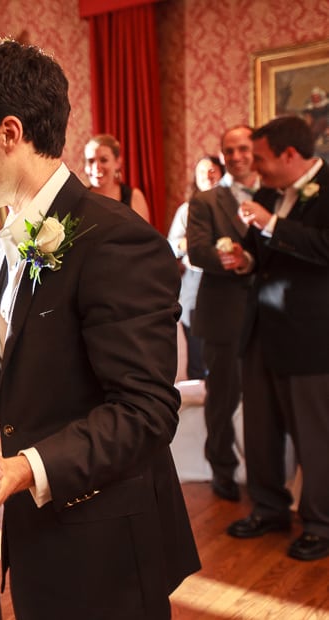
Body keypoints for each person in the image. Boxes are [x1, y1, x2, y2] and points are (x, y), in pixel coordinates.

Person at [0, 40, 200, 619]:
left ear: (8, 132)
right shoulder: (5, 245)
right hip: (37, 528)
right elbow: (11, 373)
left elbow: (146, 411)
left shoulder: (116, 240)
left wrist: (18, 469)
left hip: (107, 543)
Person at [222, 116, 329, 562]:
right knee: (260, 429)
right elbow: (264, 256)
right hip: (260, 328)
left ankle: (322, 524)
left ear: (290, 155)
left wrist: (273, 226)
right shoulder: (267, 192)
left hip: (311, 335)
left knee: (315, 436)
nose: (254, 167)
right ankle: (268, 508)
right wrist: (245, 261)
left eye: (261, 158)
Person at [186, 127, 258, 502]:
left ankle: (265, 479)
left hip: (271, 314)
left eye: (244, 148)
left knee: (265, 401)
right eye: (229, 150)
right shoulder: (207, 200)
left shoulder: (273, 195)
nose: (237, 155)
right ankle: (222, 469)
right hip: (224, 312)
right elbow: (197, 251)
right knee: (223, 400)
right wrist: (233, 259)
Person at [168, 154, 225, 381]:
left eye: (212, 171)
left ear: (222, 174)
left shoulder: (233, 206)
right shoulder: (187, 209)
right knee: (197, 344)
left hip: (227, 281)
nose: (208, 176)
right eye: (203, 172)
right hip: (195, 281)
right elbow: (171, 245)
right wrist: (191, 244)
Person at [84, 133, 152, 223]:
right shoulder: (80, 199)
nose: (96, 167)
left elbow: (145, 236)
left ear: (117, 163)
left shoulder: (134, 196)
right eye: (91, 161)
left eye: (103, 160)